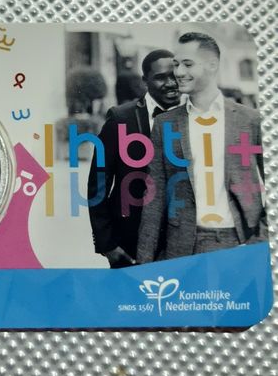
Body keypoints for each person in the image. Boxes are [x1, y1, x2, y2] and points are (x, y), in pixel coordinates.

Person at [136, 32, 266, 262]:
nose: (179, 72)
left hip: (239, 244)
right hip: (182, 247)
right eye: (176, 64)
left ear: (212, 65)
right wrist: (144, 263)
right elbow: (154, 198)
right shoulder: (165, 124)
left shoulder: (250, 120)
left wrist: (260, 241)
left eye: (188, 64)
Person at [87, 49, 181, 268]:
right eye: (160, 77)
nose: (170, 83)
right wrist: (107, 244)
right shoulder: (120, 118)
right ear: (144, 81)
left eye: (174, 76)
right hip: (130, 241)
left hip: (181, 243)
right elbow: (98, 183)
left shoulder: (194, 116)